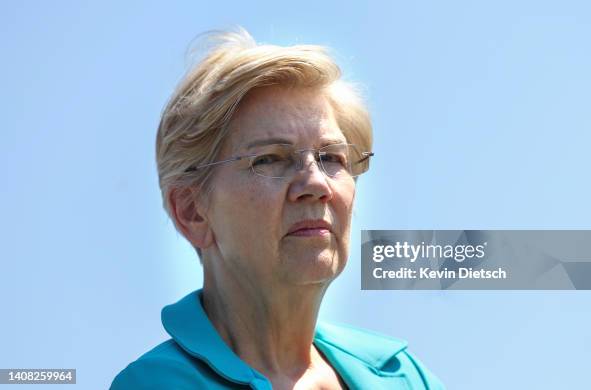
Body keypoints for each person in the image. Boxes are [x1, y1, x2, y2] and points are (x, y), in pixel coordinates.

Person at [111, 28, 445, 390]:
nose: (316, 184)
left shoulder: (405, 377)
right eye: (270, 159)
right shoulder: (154, 384)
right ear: (192, 211)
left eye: (331, 157)